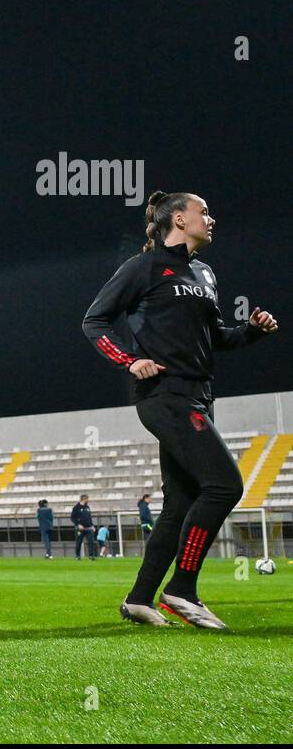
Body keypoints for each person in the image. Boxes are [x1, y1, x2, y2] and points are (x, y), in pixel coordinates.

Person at [83, 190, 278, 628]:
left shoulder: (206, 274)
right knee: (225, 485)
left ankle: (139, 599)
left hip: (200, 397)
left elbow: (218, 339)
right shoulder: (143, 267)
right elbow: (93, 321)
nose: (211, 218)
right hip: (163, 396)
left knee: (179, 504)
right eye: (203, 211)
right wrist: (129, 360)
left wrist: (250, 331)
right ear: (178, 219)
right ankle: (182, 589)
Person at [70, 495, 96, 560]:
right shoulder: (76, 507)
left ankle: (91, 556)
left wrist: (92, 525)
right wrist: (78, 524)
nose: (88, 500)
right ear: (84, 499)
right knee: (79, 542)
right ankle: (77, 556)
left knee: (91, 542)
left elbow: (89, 517)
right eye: (87, 499)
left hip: (89, 528)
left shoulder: (87, 507)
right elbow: (72, 517)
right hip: (80, 529)